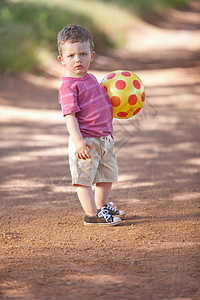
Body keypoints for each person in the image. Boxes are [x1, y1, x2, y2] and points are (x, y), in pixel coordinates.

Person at [57, 24, 125, 226]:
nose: (77, 59)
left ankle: (102, 206)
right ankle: (91, 215)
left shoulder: (92, 78)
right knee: (84, 179)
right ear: (62, 60)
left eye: (83, 54)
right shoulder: (69, 86)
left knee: (106, 176)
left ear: (92, 55)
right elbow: (70, 115)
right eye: (71, 56)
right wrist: (78, 142)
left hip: (104, 139)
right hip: (85, 141)